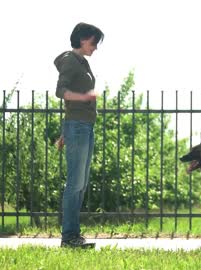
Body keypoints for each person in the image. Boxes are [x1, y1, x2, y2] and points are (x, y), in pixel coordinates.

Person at [54, 22, 104, 248]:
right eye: (94, 42)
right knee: (74, 183)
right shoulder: (70, 61)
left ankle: (74, 235)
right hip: (78, 127)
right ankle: (69, 237)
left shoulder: (82, 62)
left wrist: (66, 131)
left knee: (81, 184)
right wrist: (82, 98)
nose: (95, 47)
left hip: (82, 128)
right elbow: (60, 91)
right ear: (83, 39)